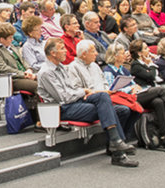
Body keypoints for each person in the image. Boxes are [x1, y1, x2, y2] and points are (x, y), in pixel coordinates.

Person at [37, 37, 139, 167]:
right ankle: (118, 150)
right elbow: (64, 97)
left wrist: (84, 92)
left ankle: (115, 143)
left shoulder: (61, 67)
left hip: (76, 102)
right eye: (62, 49)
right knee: (108, 109)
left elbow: (72, 90)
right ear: (53, 53)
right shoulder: (46, 72)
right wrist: (84, 91)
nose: (66, 52)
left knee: (109, 101)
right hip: (62, 109)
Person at [102, 43, 165, 149]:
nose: (125, 55)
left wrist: (136, 88)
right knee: (160, 90)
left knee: (159, 102)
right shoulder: (108, 71)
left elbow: (134, 84)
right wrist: (130, 89)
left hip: (134, 95)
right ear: (115, 56)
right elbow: (112, 90)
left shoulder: (123, 69)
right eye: (122, 53)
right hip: (123, 98)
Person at [0, 23, 39, 93]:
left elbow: (22, 60)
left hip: (25, 74)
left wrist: (29, 69)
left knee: (47, 80)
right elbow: (3, 69)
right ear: (2, 39)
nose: (12, 40)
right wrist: (24, 74)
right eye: (10, 38)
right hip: (13, 79)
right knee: (38, 85)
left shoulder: (11, 46)